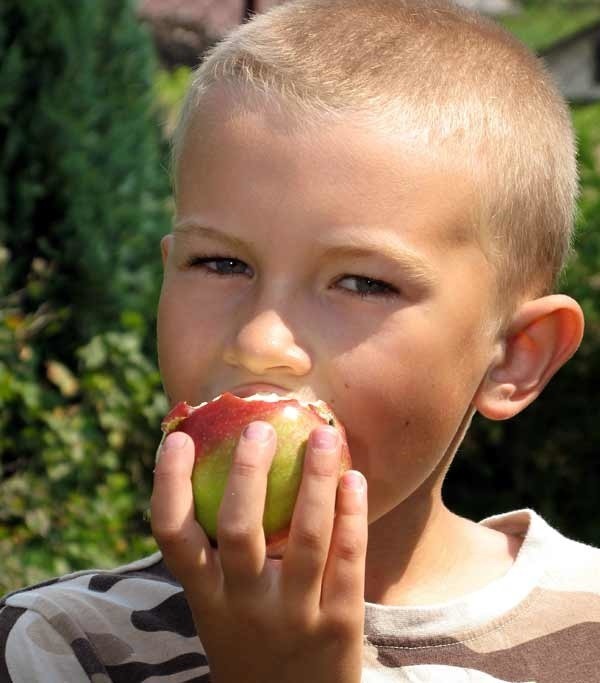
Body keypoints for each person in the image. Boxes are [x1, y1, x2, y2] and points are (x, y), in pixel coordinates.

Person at [1, 0, 598, 680]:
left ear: (514, 355)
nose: (259, 342)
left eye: (362, 283)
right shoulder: (56, 647)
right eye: (221, 264)